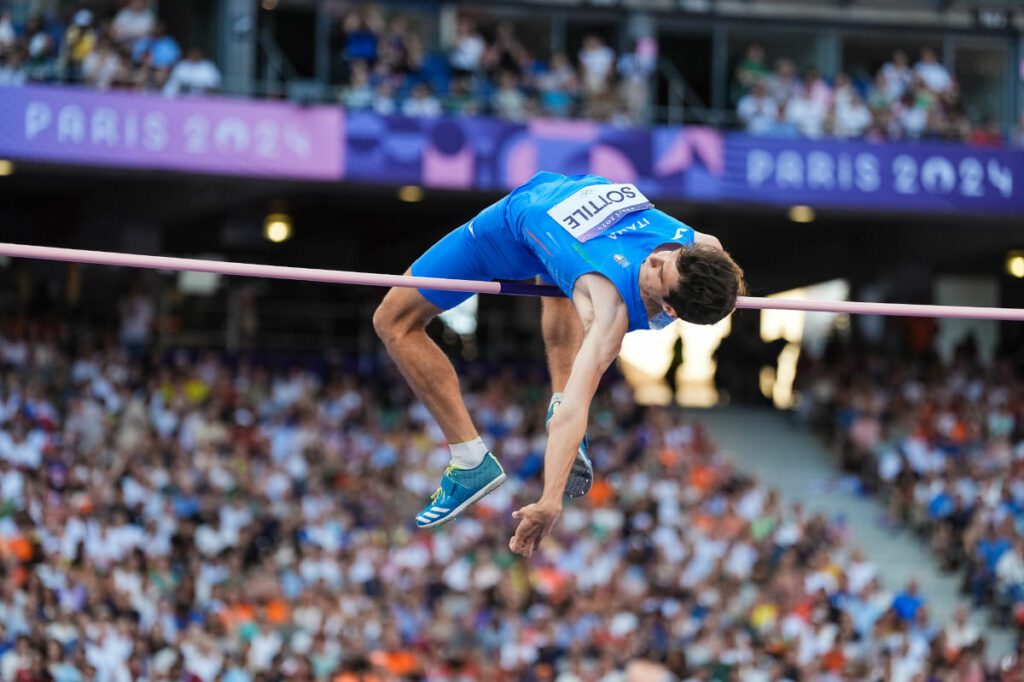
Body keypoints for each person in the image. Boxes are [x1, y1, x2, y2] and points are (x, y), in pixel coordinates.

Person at [373, 172, 745, 557]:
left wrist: (551, 499)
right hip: (562, 204)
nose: (657, 256)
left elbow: (576, 411)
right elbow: (723, 276)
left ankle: (470, 459)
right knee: (561, 280)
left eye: (660, 271)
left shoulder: (608, 314)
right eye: (673, 255)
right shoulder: (706, 248)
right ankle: (555, 397)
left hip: (511, 230)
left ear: (670, 308)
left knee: (393, 322)